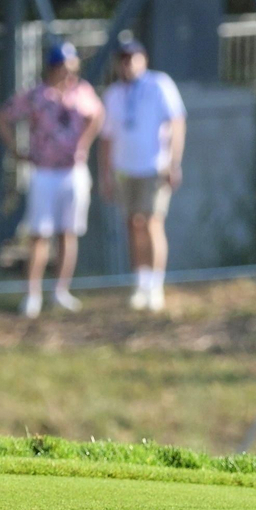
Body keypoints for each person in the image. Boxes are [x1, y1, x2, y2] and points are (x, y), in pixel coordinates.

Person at [0, 40, 103, 316]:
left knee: (68, 232)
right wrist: (16, 150)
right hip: (43, 171)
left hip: (73, 171)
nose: (68, 72)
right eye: (62, 66)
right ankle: (32, 294)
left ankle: (60, 290)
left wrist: (85, 143)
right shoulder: (37, 94)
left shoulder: (83, 91)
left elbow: (97, 115)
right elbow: (4, 117)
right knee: (39, 234)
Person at [99, 35, 185, 311]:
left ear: (143, 59)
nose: (128, 64)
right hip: (125, 170)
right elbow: (107, 138)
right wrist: (105, 174)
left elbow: (177, 122)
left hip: (153, 167)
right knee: (132, 224)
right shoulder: (113, 94)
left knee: (152, 222)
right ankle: (141, 282)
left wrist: (174, 162)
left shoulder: (159, 84)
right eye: (123, 59)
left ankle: (155, 285)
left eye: (132, 58)